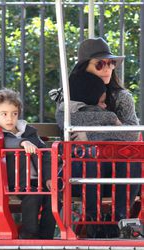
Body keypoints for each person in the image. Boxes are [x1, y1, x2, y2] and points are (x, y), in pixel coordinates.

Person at [55, 37, 141, 237]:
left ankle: (121, 220)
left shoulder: (122, 97)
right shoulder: (70, 97)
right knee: (90, 155)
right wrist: (113, 122)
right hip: (83, 164)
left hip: (115, 166)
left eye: (111, 63)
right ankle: (92, 219)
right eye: (100, 64)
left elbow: (132, 134)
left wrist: (92, 132)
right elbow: (68, 126)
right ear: (84, 67)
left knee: (130, 160)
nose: (107, 68)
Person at [0, 88, 56, 239]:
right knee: (33, 195)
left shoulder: (28, 131)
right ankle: (29, 233)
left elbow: (45, 155)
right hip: (14, 182)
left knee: (55, 196)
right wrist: (22, 143)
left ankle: (46, 236)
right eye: (4, 114)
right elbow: (5, 142)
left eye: (14, 113)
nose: (10, 118)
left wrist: (49, 177)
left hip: (38, 181)